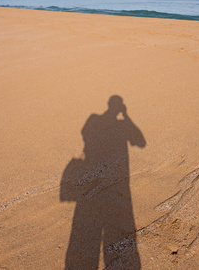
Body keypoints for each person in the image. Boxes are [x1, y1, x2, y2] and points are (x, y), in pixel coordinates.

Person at [62, 95, 145, 269]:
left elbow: (85, 135)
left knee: (86, 234)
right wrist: (126, 116)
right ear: (118, 107)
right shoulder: (121, 125)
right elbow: (140, 142)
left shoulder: (94, 120)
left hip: (100, 176)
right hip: (119, 183)